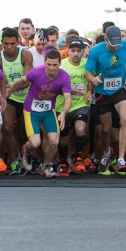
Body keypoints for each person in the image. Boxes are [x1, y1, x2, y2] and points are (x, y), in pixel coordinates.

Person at [7, 49, 72, 178]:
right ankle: (26, 149)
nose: (52, 68)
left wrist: (64, 112)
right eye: (49, 64)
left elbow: (68, 99)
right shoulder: (37, 72)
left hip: (49, 111)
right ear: (44, 62)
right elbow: (21, 81)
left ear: (60, 63)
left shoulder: (64, 76)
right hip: (31, 111)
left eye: (55, 65)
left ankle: (46, 166)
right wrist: (9, 93)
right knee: (35, 143)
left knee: (54, 141)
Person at [85, 25, 126, 175]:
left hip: (120, 90)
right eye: (112, 45)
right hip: (102, 93)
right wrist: (94, 80)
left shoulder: (125, 45)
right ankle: (107, 153)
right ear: (106, 39)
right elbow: (88, 73)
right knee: (105, 130)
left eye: (117, 44)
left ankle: (121, 160)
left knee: (125, 119)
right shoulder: (95, 51)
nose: (115, 48)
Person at [0, 28, 33, 175]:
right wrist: (7, 90)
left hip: (26, 98)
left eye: (12, 43)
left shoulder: (26, 55)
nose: (9, 47)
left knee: (23, 133)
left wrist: (11, 87)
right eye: (6, 44)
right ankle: (14, 160)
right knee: (8, 128)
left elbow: (28, 81)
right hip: (9, 98)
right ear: (2, 43)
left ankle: (26, 158)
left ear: (18, 42)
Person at [55, 38, 91, 175]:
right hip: (62, 106)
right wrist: (69, 91)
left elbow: (91, 78)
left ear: (83, 52)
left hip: (81, 104)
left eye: (78, 51)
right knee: (63, 139)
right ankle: (64, 162)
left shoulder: (87, 64)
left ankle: (78, 159)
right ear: (67, 51)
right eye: (73, 50)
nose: (76, 54)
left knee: (80, 129)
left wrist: (89, 91)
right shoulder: (61, 65)